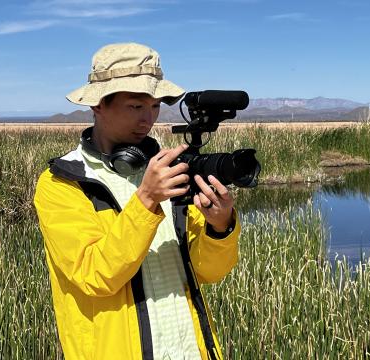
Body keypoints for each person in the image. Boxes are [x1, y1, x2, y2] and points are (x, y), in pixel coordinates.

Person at [33, 42, 239, 360]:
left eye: (155, 106)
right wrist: (145, 201)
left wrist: (220, 227)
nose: (148, 119)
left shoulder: (169, 170)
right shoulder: (63, 183)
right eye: (135, 106)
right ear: (97, 105)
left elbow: (210, 272)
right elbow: (95, 275)